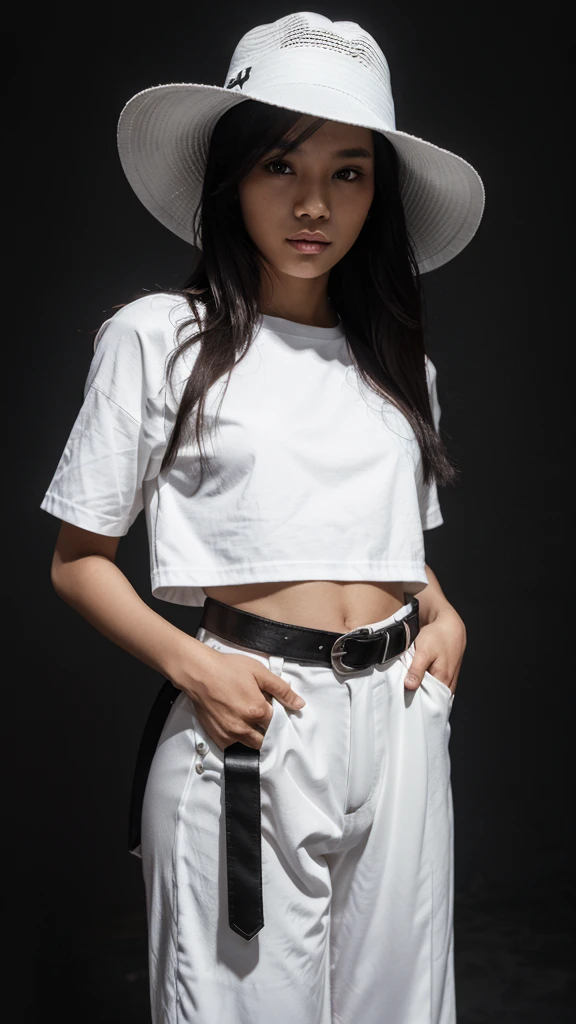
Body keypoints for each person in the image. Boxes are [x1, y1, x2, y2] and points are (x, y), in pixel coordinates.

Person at [39, 11, 484, 1024]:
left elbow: (389, 543)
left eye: (349, 172)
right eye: (282, 166)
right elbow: (77, 560)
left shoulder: (398, 373)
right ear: (232, 175)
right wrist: (191, 665)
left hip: (404, 727)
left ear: (380, 192)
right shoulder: (162, 339)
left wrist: (444, 616)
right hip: (255, 718)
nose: (314, 203)